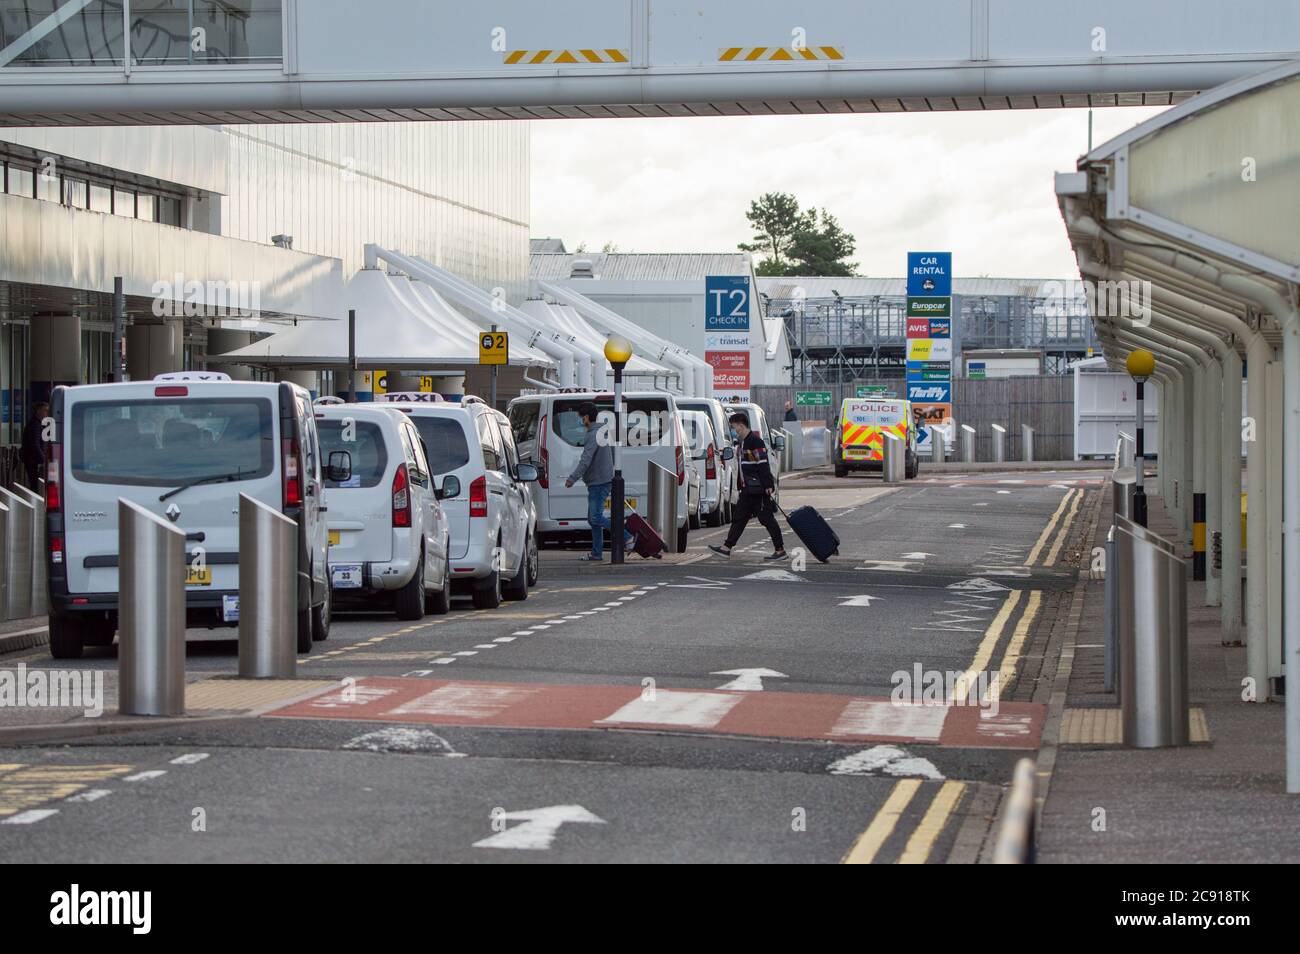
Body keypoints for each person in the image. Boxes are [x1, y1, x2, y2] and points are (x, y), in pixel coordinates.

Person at [709, 411, 786, 560]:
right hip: (748, 490)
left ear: (741, 425)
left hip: (758, 490)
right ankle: (726, 547)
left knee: (767, 519)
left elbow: (762, 465)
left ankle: (780, 550)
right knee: (739, 518)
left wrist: (768, 486)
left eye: (733, 427)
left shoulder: (755, 442)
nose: (733, 431)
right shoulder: (743, 443)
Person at [564, 401, 634, 562]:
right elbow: (612, 451)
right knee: (593, 519)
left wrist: (572, 478)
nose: (581, 421)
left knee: (595, 517)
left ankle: (628, 537)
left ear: (587, 417)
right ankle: (597, 553)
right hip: (603, 478)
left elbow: (586, 459)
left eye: (581, 418)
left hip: (598, 481)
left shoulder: (592, 434)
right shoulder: (604, 431)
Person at [21, 400, 49, 491]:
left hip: (33, 460)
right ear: (38, 411)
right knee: (35, 484)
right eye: (45, 410)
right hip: (33, 461)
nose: (47, 413)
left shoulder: (38, 424)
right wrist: (43, 459)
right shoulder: (35, 425)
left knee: (36, 483)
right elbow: (35, 444)